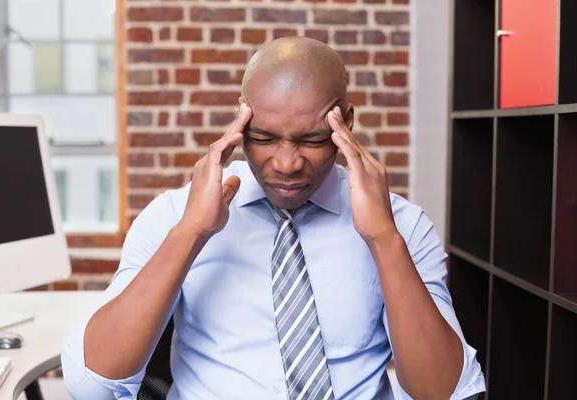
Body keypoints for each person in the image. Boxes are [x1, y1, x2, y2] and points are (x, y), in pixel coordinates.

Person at [61, 37, 485, 400]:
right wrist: (191, 233)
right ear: (241, 118)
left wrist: (383, 239)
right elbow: (91, 384)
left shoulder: (403, 226)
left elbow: (446, 394)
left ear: (345, 123)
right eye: (262, 137)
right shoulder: (174, 215)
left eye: (312, 139)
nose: (285, 163)